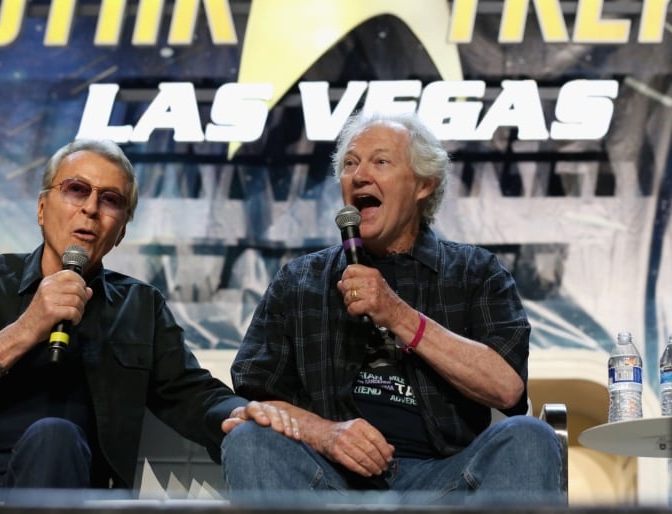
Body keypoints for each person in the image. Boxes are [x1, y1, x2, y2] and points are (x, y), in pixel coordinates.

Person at [0, 139, 297, 501]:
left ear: (120, 231)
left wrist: (242, 413)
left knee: (54, 434)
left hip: (53, 476)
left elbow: (192, 394)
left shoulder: (139, 307)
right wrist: (28, 327)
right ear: (41, 207)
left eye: (110, 200)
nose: (90, 208)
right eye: (76, 190)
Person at [222, 110, 563, 505]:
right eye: (350, 163)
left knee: (529, 437)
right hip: (330, 482)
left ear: (423, 184)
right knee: (249, 438)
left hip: (447, 479)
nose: (360, 174)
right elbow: (258, 400)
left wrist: (398, 314)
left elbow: (506, 388)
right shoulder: (299, 280)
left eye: (380, 161)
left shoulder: (474, 272)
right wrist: (325, 434)